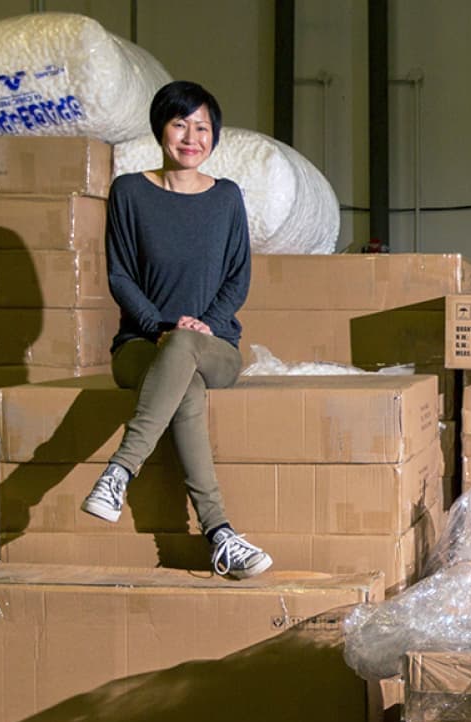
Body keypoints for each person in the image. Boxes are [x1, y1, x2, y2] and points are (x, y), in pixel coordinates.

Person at [79, 80, 272, 578]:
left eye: (203, 127)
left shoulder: (227, 198)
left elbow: (238, 277)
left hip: (216, 348)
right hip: (141, 345)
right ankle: (220, 534)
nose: (192, 137)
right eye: (180, 124)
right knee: (183, 386)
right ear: (161, 129)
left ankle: (119, 469)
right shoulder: (129, 192)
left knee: (187, 353)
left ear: (215, 137)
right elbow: (119, 274)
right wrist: (159, 326)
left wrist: (201, 327)